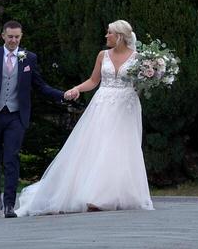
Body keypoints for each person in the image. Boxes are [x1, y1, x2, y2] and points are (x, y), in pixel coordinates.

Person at [13, 19, 154, 216]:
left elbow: (141, 85)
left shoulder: (139, 58)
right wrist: (77, 89)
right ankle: (94, 195)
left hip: (126, 106)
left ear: (119, 36)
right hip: (102, 104)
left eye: (109, 33)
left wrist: (153, 76)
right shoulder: (102, 55)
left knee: (121, 147)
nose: (106, 36)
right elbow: (94, 80)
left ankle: (120, 194)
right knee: (98, 146)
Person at [0, 19, 68, 218]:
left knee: (11, 158)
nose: (13, 40)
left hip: (15, 116)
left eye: (17, 37)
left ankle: (10, 205)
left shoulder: (28, 58)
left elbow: (40, 86)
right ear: (3, 35)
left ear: (21, 37)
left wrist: (63, 95)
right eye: (10, 36)